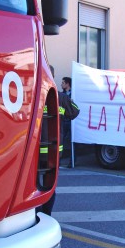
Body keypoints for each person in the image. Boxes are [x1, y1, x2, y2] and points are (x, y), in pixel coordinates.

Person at [37, 68, 79, 215]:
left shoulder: (33, 95)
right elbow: (75, 111)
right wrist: (69, 102)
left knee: (34, 186)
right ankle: (47, 215)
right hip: (54, 152)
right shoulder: (61, 97)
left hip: (35, 152)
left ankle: (35, 213)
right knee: (50, 186)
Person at [61, 77, 74, 167]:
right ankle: (59, 160)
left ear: (67, 84)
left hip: (71, 121)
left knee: (71, 142)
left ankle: (71, 161)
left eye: (63, 83)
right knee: (61, 141)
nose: (61, 84)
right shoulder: (62, 95)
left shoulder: (74, 94)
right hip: (63, 120)